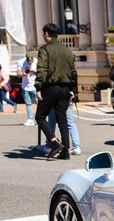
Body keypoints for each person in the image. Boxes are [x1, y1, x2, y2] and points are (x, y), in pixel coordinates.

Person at [34, 23, 77, 160]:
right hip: (65, 89)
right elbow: (73, 71)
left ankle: (54, 142)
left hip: (51, 88)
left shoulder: (45, 49)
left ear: (46, 34)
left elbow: (42, 70)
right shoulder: (67, 50)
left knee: (40, 116)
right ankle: (65, 151)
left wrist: (38, 87)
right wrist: (72, 88)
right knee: (62, 120)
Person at [17, 55, 38, 125]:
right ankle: (30, 119)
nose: (30, 63)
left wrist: (33, 71)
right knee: (28, 103)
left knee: (38, 103)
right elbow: (18, 73)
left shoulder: (37, 61)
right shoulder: (20, 62)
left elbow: (41, 73)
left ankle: (41, 118)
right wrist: (23, 74)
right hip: (25, 86)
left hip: (35, 85)